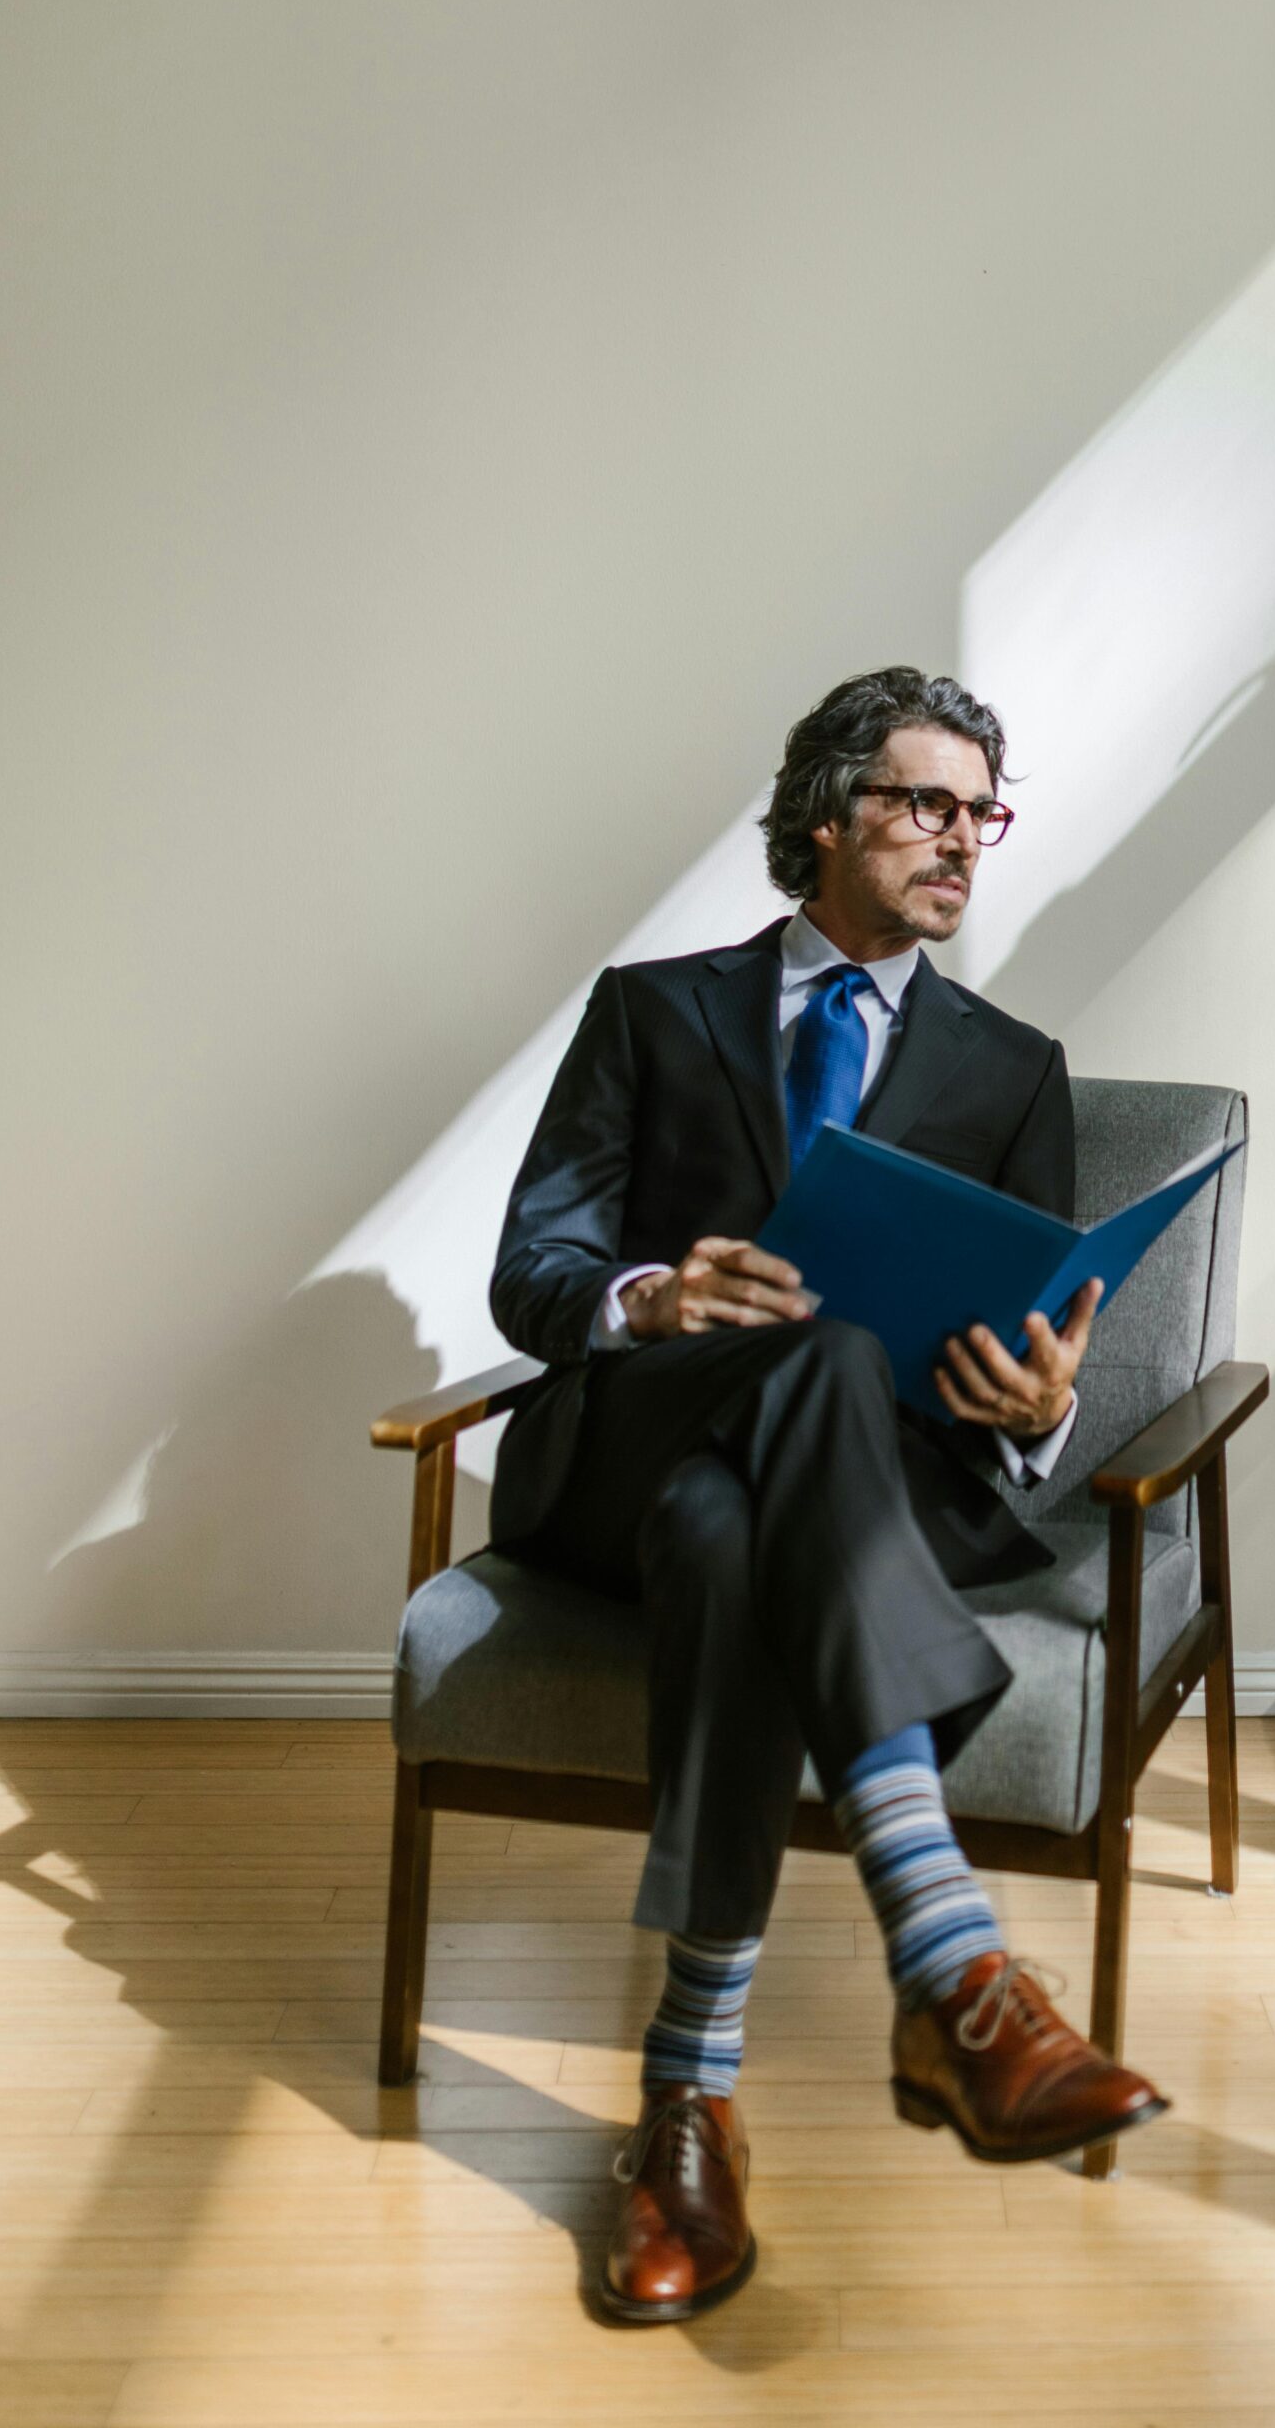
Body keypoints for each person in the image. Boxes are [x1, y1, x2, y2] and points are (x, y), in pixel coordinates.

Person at [489, 666, 1165, 2324]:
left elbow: (1035, 1326)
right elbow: (534, 1266)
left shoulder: (1015, 1068)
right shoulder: (654, 1012)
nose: (964, 839)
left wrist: (1041, 1405)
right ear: (826, 816)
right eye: (927, 803)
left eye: (982, 814)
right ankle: (947, 1967)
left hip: (843, 1492)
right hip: (628, 1453)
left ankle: (687, 2092)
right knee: (795, 1356)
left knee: (769, 1470)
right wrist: (647, 1297)